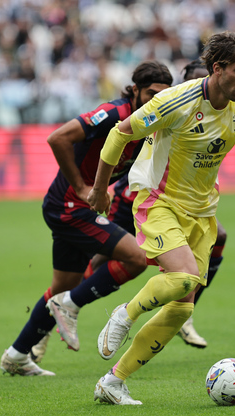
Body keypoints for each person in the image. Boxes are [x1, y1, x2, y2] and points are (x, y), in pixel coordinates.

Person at [89, 31, 235, 405]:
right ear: (217, 69)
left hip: (202, 212)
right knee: (184, 276)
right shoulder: (177, 100)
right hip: (157, 199)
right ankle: (125, 313)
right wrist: (99, 189)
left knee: (182, 306)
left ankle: (113, 381)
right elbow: (120, 133)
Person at [0, 61, 173, 376]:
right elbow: (58, 138)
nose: (154, 101)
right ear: (135, 90)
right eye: (150, 93)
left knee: (62, 286)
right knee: (136, 258)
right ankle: (72, 306)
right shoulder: (113, 113)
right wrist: (82, 187)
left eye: (162, 95)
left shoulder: (151, 124)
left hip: (77, 208)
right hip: (69, 205)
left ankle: (17, 355)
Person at [83, 60, 224, 349]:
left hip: (187, 204)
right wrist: (98, 189)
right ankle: (72, 303)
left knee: (206, 249)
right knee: (109, 258)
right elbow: (120, 136)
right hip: (137, 196)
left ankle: (184, 309)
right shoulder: (174, 105)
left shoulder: (219, 111)